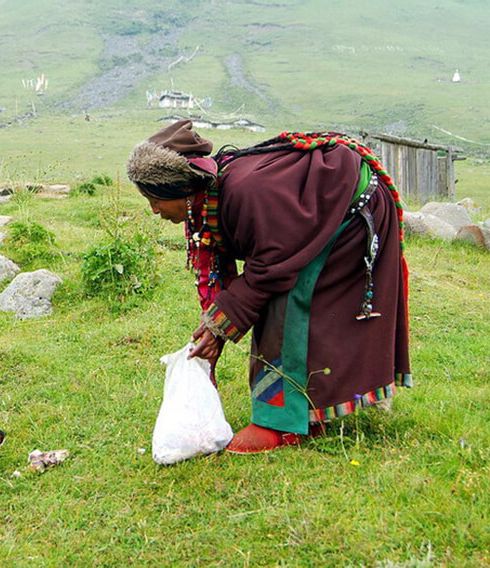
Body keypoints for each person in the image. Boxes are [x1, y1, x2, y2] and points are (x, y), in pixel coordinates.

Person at [126, 120, 411, 454]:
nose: (155, 210)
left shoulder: (246, 192)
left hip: (351, 211)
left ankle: (282, 425)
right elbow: (241, 271)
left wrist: (219, 329)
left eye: (155, 199)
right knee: (287, 303)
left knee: (286, 309)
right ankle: (312, 413)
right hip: (321, 212)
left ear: (182, 191)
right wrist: (214, 324)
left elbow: (271, 268)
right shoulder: (214, 198)